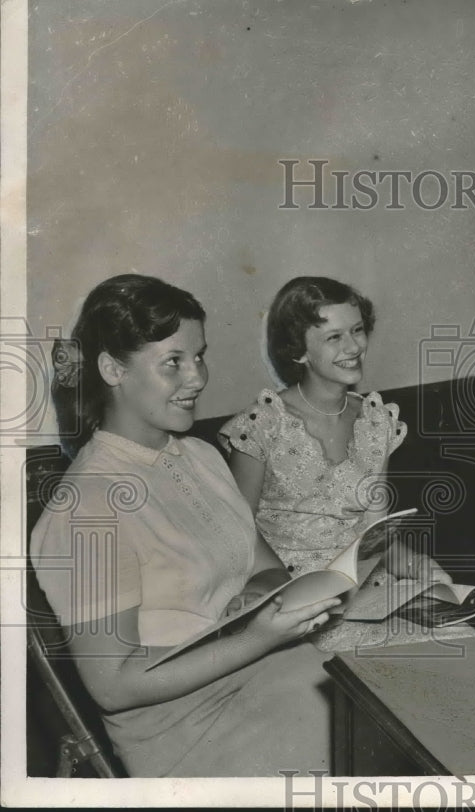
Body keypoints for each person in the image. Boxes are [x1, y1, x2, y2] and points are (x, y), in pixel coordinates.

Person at [30, 275, 340, 777]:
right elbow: (113, 684)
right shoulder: (84, 507)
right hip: (193, 735)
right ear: (112, 369)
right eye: (173, 362)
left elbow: (266, 570)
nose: (197, 377)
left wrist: (257, 606)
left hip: (272, 674)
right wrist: (251, 638)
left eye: (199, 356)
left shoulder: (200, 456)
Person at [220, 276, 470, 651]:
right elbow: (236, 532)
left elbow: (376, 533)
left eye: (357, 330)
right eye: (334, 337)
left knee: (462, 645)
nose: (354, 347)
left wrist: (418, 567)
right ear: (298, 351)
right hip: (291, 595)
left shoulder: (377, 420)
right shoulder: (262, 425)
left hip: (369, 585)